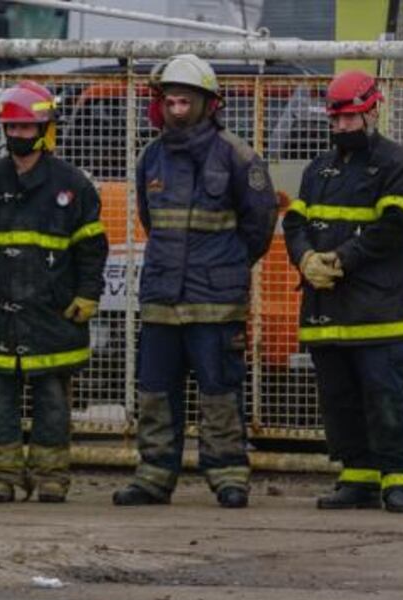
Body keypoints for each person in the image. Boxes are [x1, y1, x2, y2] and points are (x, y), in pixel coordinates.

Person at [111, 54, 277, 509]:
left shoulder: (239, 156)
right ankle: (152, 477)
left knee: (220, 390)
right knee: (155, 391)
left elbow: (259, 224)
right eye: (170, 100)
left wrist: (225, 266)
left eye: (185, 100)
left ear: (208, 103)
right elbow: (152, 221)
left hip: (215, 303)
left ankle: (227, 477)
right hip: (163, 298)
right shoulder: (151, 158)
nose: (176, 108)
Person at [0, 80, 108, 503]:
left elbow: (92, 249)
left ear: (46, 128)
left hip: (53, 314)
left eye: (25, 127)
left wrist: (89, 293)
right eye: (11, 127)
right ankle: (0, 476)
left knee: (53, 400)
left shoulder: (73, 185)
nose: (17, 134)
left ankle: (51, 477)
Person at [282, 69, 403, 513]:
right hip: (326, 308)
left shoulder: (398, 164)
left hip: (376, 308)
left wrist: (342, 259)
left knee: (384, 394)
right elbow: (295, 223)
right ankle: (356, 477)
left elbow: (394, 228)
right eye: (337, 119)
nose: (342, 127)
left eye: (350, 119)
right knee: (339, 398)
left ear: (372, 110)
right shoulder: (318, 169)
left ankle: (400, 478)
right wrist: (305, 258)